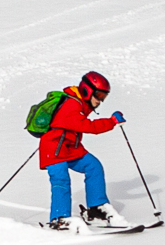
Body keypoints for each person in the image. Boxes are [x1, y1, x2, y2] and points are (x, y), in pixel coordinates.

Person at [38, 70, 128, 229]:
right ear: (87, 91)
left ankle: (96, 209)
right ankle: (59, 219)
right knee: (61, 179)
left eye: (104, 97)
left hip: (70, 148)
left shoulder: (80, 104)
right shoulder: (72, 105)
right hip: (53, 148)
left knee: (93, 166)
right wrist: (111, 121)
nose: (100, 101)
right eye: (99, 95)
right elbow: (89, 126)